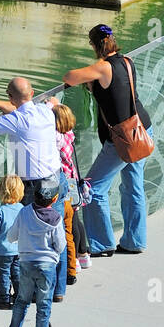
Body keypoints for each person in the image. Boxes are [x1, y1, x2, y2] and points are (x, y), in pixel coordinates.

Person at [61, 24, 154, 251]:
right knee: (133, 187)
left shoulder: (102, 68)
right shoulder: (127, 61)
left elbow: (69, 77)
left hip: (122, 141)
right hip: (142, 129)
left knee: (92, 189)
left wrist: (89, 80)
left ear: (95, 45)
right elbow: (117, 91)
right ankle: (135, 242)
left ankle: (101, 243)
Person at [0, 78, 62, 204]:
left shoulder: (17, 120)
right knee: (54, 220)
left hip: (36, 186)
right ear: (32, 93)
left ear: (10, 97)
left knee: (29, 222)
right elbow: (20, 108)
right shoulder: (44, 110)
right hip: (57, 175)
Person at [2, 181, 65, 327]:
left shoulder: (24, 212)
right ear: (54, 199)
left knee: (22, 301)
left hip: (26, 263)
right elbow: (60, 246)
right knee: (44, 305)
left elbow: (11, 236)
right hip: (47, 266)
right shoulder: (56, 219)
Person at [53, 102, 89, 274]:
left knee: (70, 222)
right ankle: (84, 253)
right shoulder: (69, 134)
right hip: (73, 180)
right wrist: (56, 103)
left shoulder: (58, 139)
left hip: (65, 183)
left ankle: (74, 258)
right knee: (76, 218)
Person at [0, 175, 24, 310]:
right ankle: (19, 298)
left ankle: (4, 300)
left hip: (2, 251)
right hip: (19, 250)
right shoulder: (22, 209)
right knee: (17, 275)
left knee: (3, 276)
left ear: (2, 191)